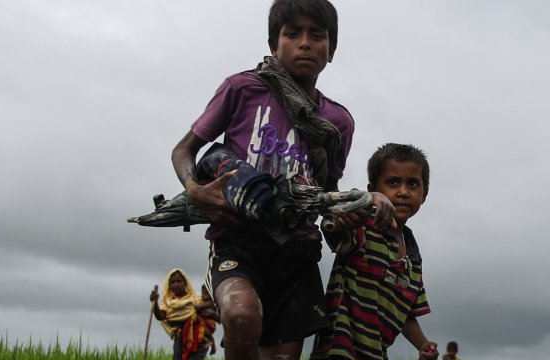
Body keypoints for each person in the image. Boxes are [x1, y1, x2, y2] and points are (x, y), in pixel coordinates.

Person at [168, 0, 394, 359]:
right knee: (241, 317)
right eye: (293, 34)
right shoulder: (242, 89)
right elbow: (184, 151)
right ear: (275, 44)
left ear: (330, 50)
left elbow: (326, 193)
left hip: (297, 251)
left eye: (316, 36)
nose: (305, 43)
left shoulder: (338, 122)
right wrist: (195, 191)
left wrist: (347, 214)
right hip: (237, 240)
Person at [312, 143, 438, 360]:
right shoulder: (364, 227)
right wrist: (347, 213)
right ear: (374, 190)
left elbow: (407, 315)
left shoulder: (413, 259)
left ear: (424, 194)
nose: (403, 192)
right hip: (339, 350)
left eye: (413, 184)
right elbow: (334, 223)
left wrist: (422, 344)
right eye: (393, 182)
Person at [149, 268, 210, 360]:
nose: (176, 284)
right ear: (169, 285)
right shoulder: (168, 303)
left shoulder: (196, 298)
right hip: (179, 339)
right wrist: (155, 303)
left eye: (179, 281)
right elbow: (160, 316)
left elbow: (210, 309)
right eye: (173, 282)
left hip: (197, 340)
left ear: (185, 282)